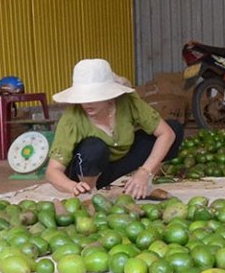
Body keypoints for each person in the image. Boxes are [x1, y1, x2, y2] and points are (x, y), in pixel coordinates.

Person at [46, 59, 184, 199]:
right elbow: (53, 171)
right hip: (86, 171)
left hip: (119, 163)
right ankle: (89, 194)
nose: (87, 103)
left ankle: (141, 185)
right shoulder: (72, 117)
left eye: (93, 96)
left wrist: (145, 171)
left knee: (174, 128)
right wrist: (72, 186)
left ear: (108, 95)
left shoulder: (127, 102)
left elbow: (166, 133)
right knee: (94, 147)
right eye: (83, 97)